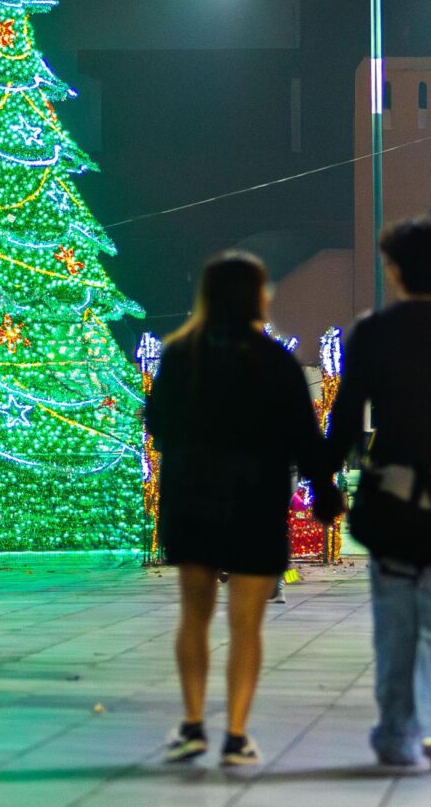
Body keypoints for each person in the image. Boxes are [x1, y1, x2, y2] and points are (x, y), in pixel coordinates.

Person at [143, 252, 341, 767]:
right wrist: (324, 491)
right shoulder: (273, 361)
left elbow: (157, 425)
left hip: (192, 500)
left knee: (194, 617)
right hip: (256, 502)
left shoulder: (181, 355)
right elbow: (304, 434)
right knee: (246, 625)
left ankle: (192, 725)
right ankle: (234, 734)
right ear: (257, 297)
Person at [324, 218, 431, 772]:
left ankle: (399, 733)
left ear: (394, 271)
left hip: (393, 505)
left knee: (395, 628)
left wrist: (326, 482)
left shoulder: (373, 333)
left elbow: (346, 421)